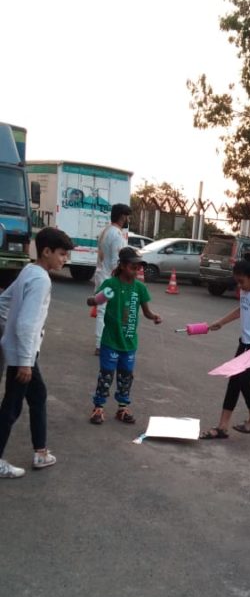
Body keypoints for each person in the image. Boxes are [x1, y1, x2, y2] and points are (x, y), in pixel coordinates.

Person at [0, 227, 74, 479]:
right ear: (46, 251)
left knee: (37, 396)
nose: (65, 259)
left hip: (22, 351)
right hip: (23, 355)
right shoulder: (41, 279)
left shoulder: (29, 271)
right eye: (62, 254)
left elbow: (4, 301)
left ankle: (41, 452)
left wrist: (5, 331)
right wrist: (24, 361)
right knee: (11, 408)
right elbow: (26, 324)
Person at [200, 252, 250, 439]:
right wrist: (221, 322)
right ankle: (223, 427)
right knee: (234, 382)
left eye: (241, 281)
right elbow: (242, 309)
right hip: (245, 343)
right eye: (237, 281)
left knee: (244, 381)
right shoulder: (246, 290)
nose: (239, 285)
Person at [88, 246, 161, 425]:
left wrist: (154, 317)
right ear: (122, 266)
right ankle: (98, 408)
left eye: (139, 267)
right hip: (111, 341)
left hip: (129, 342)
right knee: (106, 375)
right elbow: (95, 300)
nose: (136, 270)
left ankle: (122, 408)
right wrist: (94, 299)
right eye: (133, 267)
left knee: (126, 376)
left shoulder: (140, 288)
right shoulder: (111, 284)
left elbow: (146, 311)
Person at [93, 203, 131, 354]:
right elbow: (117, 261)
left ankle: (100, 343)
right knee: (107, 312)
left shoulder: (105, 231)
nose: (128, 219)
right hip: (110, 278)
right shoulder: (116, 234)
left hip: (101, 275)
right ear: (122, 216)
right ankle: (101, 344)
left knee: (103, 311)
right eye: (128, 216)